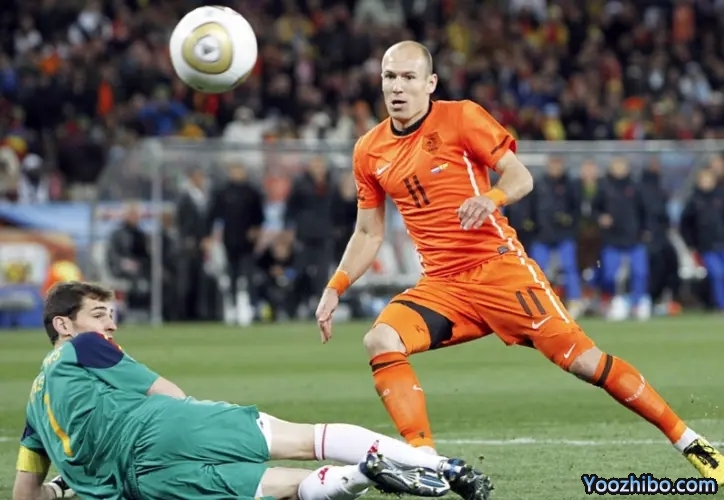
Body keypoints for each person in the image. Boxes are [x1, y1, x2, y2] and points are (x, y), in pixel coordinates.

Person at [314, 40, 724, 485]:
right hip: (443, 286)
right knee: (380, 339)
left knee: (584, 362)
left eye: (408, 77)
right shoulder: (368, 150)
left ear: (430, 83)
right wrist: (335, 287)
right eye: (390, 77)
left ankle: (690, 442)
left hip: (500, 270)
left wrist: (490, 198)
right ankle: (425, 462)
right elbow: (368, 233)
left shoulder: (461, 117)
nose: (398, 87)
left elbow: (520, 176)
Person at [13, 281, 491, 500]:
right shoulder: (84, 348)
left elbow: (25, 495)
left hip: (141, 486)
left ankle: (362, 474)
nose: (110, 325)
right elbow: (165, 391)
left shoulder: (35, 411)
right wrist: (197, 427)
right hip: (164, 429)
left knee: (283, 488)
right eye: (99, 315)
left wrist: (64, 485)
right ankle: (442, 467)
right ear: (63, 325)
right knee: (307, 439)